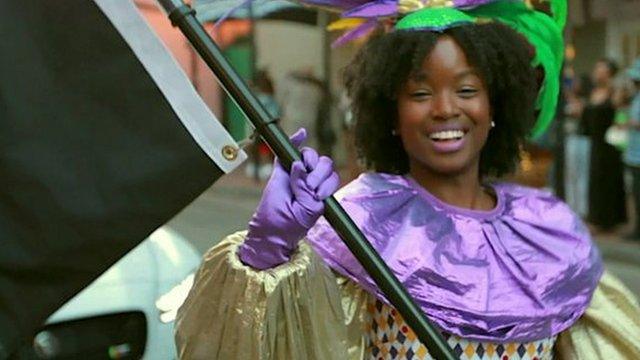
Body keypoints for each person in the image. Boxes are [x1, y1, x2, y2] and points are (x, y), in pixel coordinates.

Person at [175, 1, 640, 359]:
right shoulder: (355, 224)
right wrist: (267, 251)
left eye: (466, 89)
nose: (444, 109)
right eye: (420, 92)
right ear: (390, 114)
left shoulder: (543, 231)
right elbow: (269, 344)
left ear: (495, 109)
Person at [581, 59, 628, 232]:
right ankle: (596, 217)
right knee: (595, 178)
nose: (596, 71)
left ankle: (610, 220)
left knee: (609, 179)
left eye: (600, 69)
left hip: (610, 143)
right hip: (595, 142)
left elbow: (620, 115)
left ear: (608, 73)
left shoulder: (615, 92)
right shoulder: (594, 92)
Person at [622, 59, 640, 240]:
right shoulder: (635, 99)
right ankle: (636, 228)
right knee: (635, 192)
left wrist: (633, 124)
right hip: (633, 153)